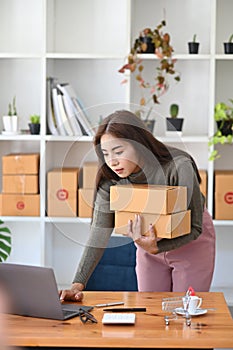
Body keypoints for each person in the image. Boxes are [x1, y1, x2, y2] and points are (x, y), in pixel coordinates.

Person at [60, 110, 216, 302]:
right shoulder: (110, 180)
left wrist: (158, 247)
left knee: (185, 313)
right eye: (106, 154)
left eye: (118, 152)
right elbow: (98, 234)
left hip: (191, 243)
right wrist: (76, 285)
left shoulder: (178, 165)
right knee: (150, 311)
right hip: (147, 245)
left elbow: (195, 227)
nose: (112, 161)